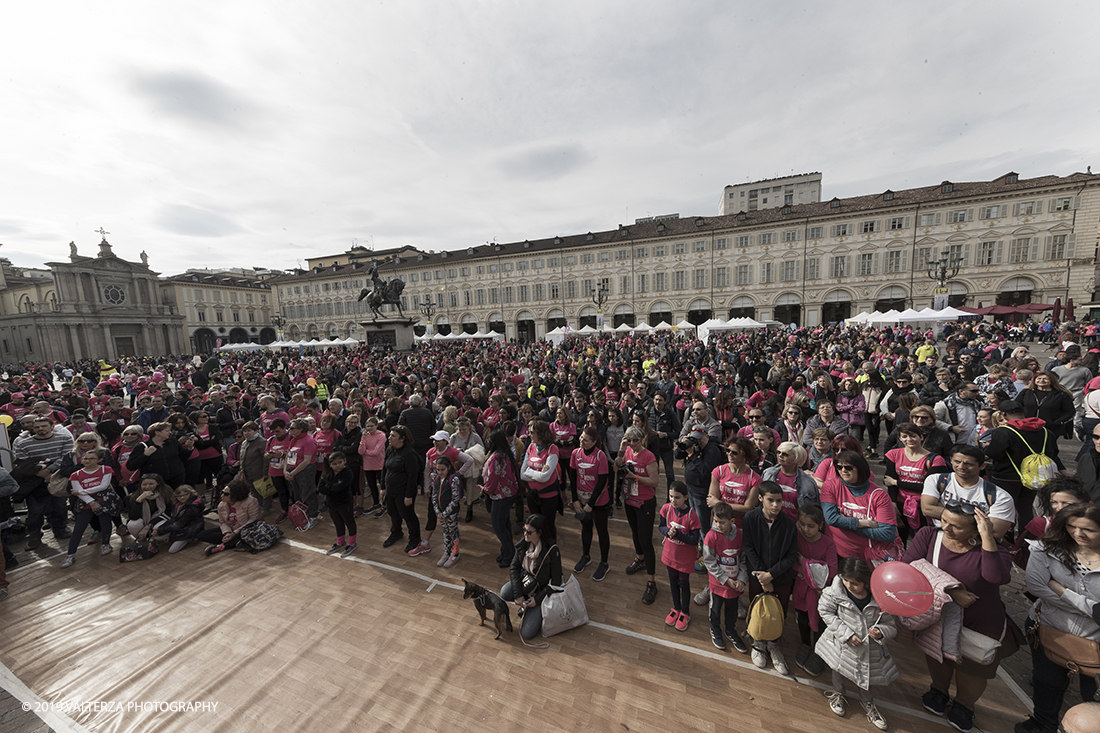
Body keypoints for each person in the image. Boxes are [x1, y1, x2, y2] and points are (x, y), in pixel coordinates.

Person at [901, 504, 1020, 733]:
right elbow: (911, 567)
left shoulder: (996, 549)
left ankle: (965, 705)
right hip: (939, 615)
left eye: (956, 526)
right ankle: (939, 691)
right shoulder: (929, 536)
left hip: (979, 621)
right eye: (944, 520)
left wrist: (987, 538)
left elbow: (995, 576)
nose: (947, 528)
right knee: (938, 656)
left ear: (976, 531)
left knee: (973, 668)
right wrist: (951, 592)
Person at [1017, 504, 1100, 733]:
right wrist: (1093, 608)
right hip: (1048, 628)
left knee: (1092, 695)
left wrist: (1063, 592)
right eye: (1071, 526)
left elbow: (1050, 589)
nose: (1078, 533)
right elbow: (1036, 586)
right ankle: (1042, 724)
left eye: (1088, 530)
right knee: (1047, 684)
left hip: (1095, 641)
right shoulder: (1046, 548)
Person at [817, 558, 896, 731]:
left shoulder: (881, 600)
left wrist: (881, 632)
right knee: (837, 669)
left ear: (866, 582)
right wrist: (847, 634)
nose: (849, 585)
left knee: (866, 676)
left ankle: (867, 702)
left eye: (855, 583)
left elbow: (891, 625)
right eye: (845, 580)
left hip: (869, 649)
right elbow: (825, 611)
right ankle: (838, 694)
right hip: (841, 645)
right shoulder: (834, 593)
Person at [743, 481, 799, 675]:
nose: (776, 505)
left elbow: (791, 556)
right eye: (771, 500)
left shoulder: (789, 525)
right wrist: (762, 577)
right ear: (760, 499)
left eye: (779, 501)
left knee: (778, 612)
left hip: (781, 579)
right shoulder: (750, 518)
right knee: (757, 610)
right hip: (757, 577)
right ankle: (758, 642)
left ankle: (774, 644)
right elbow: (748, 548)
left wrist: (771, 575)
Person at [985, 400, 1064, 528]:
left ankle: (1007, 540)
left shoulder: (1004, 431)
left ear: (1003, 415)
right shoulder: (1044, 431)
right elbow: (1053, 452)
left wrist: (986, 448)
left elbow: (994, 454)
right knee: (1026, 509)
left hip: (1006, 477)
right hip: (1033, 477)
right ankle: (1026, 540)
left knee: (1003, 510)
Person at [921, 445, 1017, 542]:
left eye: (969, 464)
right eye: (957, 462)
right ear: (951, 460)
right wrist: (980, 521)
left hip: (977, 544)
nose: (961, 467)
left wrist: (943, 511)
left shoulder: (1000, 497)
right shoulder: (936, 480)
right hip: (941, 537)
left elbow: (995, 532)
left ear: (982, 466)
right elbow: (927, 509)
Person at [821, 450, 899, 564]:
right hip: (836, 552)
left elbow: (888, 534)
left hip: (867, 558)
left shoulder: (879, 495)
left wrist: (847, 524)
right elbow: (831, 519)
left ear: (860, 468)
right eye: (839, 467)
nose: (843, 471)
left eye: (848, 467)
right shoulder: (830, 486)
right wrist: (864, 523)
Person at [500, 514, 563, 641]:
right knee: (505, 592)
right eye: (524, 530)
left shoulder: (552, 550)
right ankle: (527, 605)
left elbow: (556, 581)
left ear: (539, 532)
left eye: (529, 532)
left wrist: (537, 599)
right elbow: (514, 567)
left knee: (527, 633)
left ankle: (532, 609)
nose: (525, 534)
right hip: (528, 581)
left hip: (543, 590)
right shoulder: (524, 544)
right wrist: (518, 594)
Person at [883, 422, 948, 542]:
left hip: (923, 506)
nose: (909, 439)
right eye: (904, 436)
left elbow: (927, 487)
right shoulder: (893, 454)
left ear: (921, 437)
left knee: (922, 540)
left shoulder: (935, 460)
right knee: (899, 540)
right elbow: (888, 481)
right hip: (900, 503)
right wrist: (893, 503)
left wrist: (896, 483)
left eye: (913, 436)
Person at [792, 503, 837, 677]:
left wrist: (805, 563)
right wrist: (812, 569)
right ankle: (805, 644)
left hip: (820, 593)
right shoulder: (796, 537)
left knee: (819, 622)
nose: (805, 529)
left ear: (820, 526)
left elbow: (832, 571)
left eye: (811, 526)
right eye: (802, 524)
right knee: (802, 619)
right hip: (800, 589)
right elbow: (793, 563)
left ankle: (818, 650)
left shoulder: (828, 543)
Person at [618, 425, 660, 605]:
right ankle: (639, 559)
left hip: (645, 502)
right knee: (635, 533)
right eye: (629, 440)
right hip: (630, 500)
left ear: (641, 439)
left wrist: (635, 478)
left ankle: (652, 582)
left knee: (646, 540)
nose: (633, 444)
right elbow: (616, 467)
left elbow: (654, 482)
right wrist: (621, 450)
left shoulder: (648, 456)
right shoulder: (627, 450)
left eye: (636, 440)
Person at [702, 501, 749, 653]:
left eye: (722, 522)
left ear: (732, 521)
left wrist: (741, 579)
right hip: (718, 584)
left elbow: (743, 559)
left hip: (734, 584)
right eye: (715, 521)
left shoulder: (741, 536)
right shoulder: (710, 537)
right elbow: (709, 561)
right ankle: (715, 629)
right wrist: (724, 579)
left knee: (732, 610)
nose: (718, 525)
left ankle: (730, 630)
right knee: (715, 610)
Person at [59, 448, 117, 568]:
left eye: (92, 458)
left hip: (105, 501)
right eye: (85, 458)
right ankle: (70, 554)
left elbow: (103, 486)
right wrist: (91, 502)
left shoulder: (106, 469)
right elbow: (78, 493)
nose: (87, 461)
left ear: (100, 460)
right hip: (86, 503)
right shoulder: (75, 475)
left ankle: (105, 544)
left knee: (105, 523)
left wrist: (81, 491)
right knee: (78, 528)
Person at [569, 426, 611, 582]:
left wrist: (591, 504)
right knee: (586, 528)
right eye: (581, 437)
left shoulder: (600, 456)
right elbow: (572, 478)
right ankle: (586, 556)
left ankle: (604, 563)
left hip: (599, 502)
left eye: (585, 439)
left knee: (602, 531)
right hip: (581, 501)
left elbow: (602, 482)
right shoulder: (575, 453)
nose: (581, 441)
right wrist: (574, 500)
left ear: (594, 441)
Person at [659, 481, 701, 632]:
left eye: (677, 497)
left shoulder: (692, 516)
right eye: (670, 496)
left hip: (684, 558)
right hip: (670, 555)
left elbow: (694, 540)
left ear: (685, 497)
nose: (673, 500)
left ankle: (685, 612)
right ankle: (676, 608)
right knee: (672, 582)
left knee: (684, 584)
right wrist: (667, 532)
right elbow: (661, 527)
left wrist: (678, 534)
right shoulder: (666, 508)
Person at [381, 425, 425, 555]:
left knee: (408, 515)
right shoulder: (390, 450)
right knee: (392, 512)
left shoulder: (409, 454)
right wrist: (383, 487)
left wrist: (409, 495)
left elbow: (413, 477)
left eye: (393, 436)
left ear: (402, 439)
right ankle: (396, 532)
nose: (389, 437)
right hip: (390, 490)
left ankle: (415, 538)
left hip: (403, 492)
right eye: (390, 435)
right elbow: (385, 468)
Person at [482, 428, 521, 568]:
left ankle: (510, 555)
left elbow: (493, 478)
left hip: (500, 495)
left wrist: (485, 489)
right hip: (509, 493)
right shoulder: (505, 454)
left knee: (498, 527)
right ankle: (506, 551)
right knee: (505, 525)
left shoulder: (496, 457)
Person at [199, 480, 263, 555]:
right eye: (222, 492)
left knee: (247, 532)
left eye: (226, 494)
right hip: (232, 529)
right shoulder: (221, 505)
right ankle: (235, 542)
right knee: (202, 535)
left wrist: (234, 533)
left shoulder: (251, 502)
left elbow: (253, 519)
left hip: (247, 528)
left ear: (235, 495)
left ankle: (224, 545)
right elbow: (223, 522)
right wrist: (227, 532)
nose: (222, 495)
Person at [762, 442, 819, 522]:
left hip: (793, 526)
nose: (780, 455)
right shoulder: (768, 473)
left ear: (796, 458)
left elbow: (810, 511)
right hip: (768, 522)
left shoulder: (807, 483)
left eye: (785, 454)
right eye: (778, 452)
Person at [318, 451, 358, 558]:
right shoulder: (326, 473)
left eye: (340, 462)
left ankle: (352, 543)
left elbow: (340, 487)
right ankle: (340, 542)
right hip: (332, 503)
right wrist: (332, 487)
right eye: (334, 464)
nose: (338, 465)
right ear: (330, 464)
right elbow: (320, 488)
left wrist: (329, 487)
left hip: (345, 502)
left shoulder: (347, 472)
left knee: (349, 522)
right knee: (338, 523)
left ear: (344, 461)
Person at [149, 484, 206, 553]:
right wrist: (160, 528)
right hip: (181, 527)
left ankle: (188, 538)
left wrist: (161, 530)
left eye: (185, 495)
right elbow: (174, 519)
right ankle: (174, 537)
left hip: (190, 529)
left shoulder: (193, 507)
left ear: (190, 494)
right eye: (179, 496)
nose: (182, 497)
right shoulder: (177, 504)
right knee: (157, 534)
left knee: (172, 550)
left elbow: (179, 524)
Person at [428, 455, 463, 567]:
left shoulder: (454, 479)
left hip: (451, 513)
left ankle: (455, 553)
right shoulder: (436, 478)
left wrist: (445, 513)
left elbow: (455, 499)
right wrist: (437, 511)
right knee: (445, 532)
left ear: (448, 467)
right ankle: (447, 552)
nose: (440, 472)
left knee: (453, 532)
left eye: (442, 469)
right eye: (438, 469)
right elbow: (434, 495)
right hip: (441, 512)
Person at [1021, 371, 1076, 439]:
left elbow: (1070, 411)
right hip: (1027, 426)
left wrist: (1057, 422)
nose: (1041, 380)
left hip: (1050, 429)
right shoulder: (1026, 392)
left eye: (1045, 379)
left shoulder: (1061, 395)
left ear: (1052, 381)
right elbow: (1016, 406)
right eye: (1039, 378)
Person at [124, 473, 175, 539]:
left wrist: (148, 526)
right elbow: (133, 517)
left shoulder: (166, 493)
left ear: (158, 483)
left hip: (160, 519)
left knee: (159, 534)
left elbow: (168, 512)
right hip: (143, 520)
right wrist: (139, 501)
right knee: (132, 524)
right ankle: (142, 539)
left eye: (151, 484)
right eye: (144, 484)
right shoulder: (133, 497)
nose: (147, 487)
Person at [358, 416, 387, 517]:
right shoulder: (365, 436)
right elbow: (360, 451)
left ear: (376, 425)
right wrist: (363, 440)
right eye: (367, 426)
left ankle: (384, 505)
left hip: (379, 464)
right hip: (368, 465)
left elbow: (376, 452)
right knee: (372, 486)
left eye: (371, 426)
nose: (369, 428)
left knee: (383, 486)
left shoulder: (382, 435)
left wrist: (365, 452)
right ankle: (376, 504)